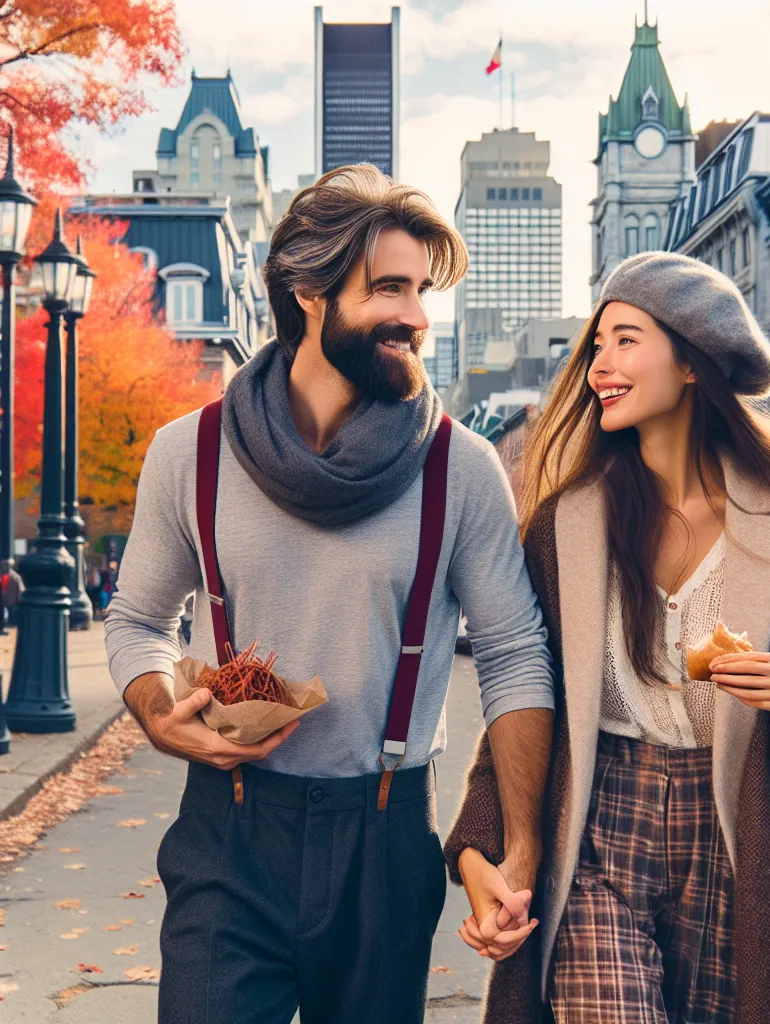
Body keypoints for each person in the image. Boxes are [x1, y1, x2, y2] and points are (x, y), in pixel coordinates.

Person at [104, 165, 555, 1024]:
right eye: (390, 289)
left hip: (384, 841)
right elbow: (137, 620)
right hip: (228, 836)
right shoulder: (188, 454)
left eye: (422, 292)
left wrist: (522, 841)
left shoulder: (460, 467)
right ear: (309, 292)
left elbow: (514, 652)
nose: (418, 317)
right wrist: (160, 714)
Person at [444, 252, 770, 1024]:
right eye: (596, 347)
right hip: (599, 826)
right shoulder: (565, 527)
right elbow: (524, 696)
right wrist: (487, 841)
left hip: (740, 838)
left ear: (689, 362)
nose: (598, 368)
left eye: (624, 341)